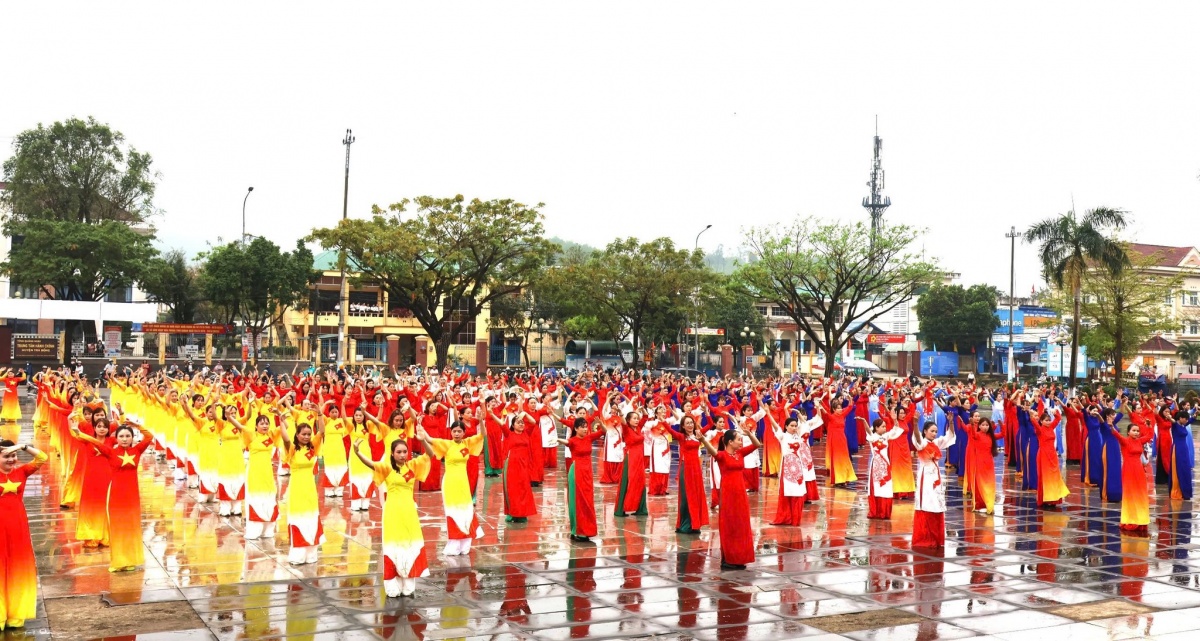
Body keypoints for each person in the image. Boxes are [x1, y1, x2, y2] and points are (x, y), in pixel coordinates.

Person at [71, 422, 155, 572]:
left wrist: (135, 424)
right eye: (121, 436)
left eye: (128, 436)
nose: (124, 439)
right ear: (116, 438)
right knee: (117, 528)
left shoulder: (137, 450)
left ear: (132, 438)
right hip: (116, 495)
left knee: (131, 528)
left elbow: (149, 436)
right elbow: (94, 441)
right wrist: (79, 432)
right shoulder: (110, 452)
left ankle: (131, 560)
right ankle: (118, 561)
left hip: (132, 497)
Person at [353, 437, 430, 597]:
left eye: (404, 452)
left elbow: (430, 454)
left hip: (409, 511)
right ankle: (392, 587)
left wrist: (423, 441)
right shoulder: (387, 468)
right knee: (393, 547)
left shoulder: (412, 466)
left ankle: (408, 585)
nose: (402, 455)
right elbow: (371, 463)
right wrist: (358, 452)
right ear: (392, 454)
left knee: (410, 546)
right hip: (392, 511)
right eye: (399, 452)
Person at [0, 440, 48, 631]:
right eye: (6, 456)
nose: (12, 460)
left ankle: (16, 613)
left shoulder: (21, 472)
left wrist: (22, 447)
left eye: (13, 456)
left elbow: (42, 457)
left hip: (18, 527)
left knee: (17, 568)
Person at [699, 424, 761, 570]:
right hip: (728, 494)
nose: (741, 442)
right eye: (739, 439)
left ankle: (740, 557)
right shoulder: (722, 455)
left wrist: (749, 434)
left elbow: (757, 444)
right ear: (730, 442)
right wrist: (702, 439)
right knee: (730, 525)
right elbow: (712, 451)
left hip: (741, 493)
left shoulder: (740, 454)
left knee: (741, 524)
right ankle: (728, 558)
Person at [418, 420, 485, 555]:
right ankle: (454, 545)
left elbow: (482, 434)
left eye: (459, 431)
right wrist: (420, 427)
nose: (457, 433)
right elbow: (430, 440)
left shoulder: (467, 443)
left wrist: (481, 419)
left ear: (464, 433)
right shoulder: (447, 445)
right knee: (453, 512)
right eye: (454, 431)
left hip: (463, 483)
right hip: (450, 483)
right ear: (451, 432)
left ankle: (465, 545)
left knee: (466, 511)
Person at [279, 411, 325, 565]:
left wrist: (319, 414)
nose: (306, 437)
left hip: (310, 490)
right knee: (298, 520)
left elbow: (322, 431)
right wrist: (281, 422)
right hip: (297, 490)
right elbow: (285, 439)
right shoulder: (292, 450)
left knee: (311, 519)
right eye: (303, 434)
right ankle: (297, 555)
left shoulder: (313, 448)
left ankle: (311, 554)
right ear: (297, 435)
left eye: (308, 434)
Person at [768, 410, 822, 526]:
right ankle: (784, 517)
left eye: (795, 426)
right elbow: (775, 426)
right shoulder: (783, 436)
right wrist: (768, 412)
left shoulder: (798, 437)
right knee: (786, 493)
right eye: (791, 426)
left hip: (798, 467)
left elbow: (805, 425)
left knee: (798, 493)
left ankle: (796, 519)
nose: (794, 428)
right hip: (787, 467)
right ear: (786, 426)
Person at [558, 417, 606, 541]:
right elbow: (567, 442)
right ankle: (577, 531)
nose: (585, 429)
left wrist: (601, 424)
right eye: (582, 427)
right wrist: (558, 439)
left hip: (587, 473)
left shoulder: (589, 438)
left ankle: (588, 530)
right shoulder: (573, 440)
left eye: (586, 426)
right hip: (576, 472)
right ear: (576, 428)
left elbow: (603, 432)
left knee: (588, 501)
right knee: (577, 501)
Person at [1108, 414, 1154, 535]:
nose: (1136, 433)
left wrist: (1149, 426)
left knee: (1140, 494)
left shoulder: (1139, 441)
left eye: (1137, 431)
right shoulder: (1125, 441)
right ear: (1128, 432)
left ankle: (1141, 519)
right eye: (1133, 431)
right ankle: (1130, 519)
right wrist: (1111, 426)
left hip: (1139, 470)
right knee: (1130, 495)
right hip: (1128, 470)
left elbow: (1149, 436)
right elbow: (1116, 434)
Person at [912, 421, 954, 550]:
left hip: (936, 476)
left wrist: (951, 423)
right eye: (932, 431)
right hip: (926, 476)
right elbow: (917, 440)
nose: (934, 434)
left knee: (936, 503)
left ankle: (936, 537)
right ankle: (925, 538)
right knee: (927, 504)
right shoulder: (923, 443)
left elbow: (949, 437)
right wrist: (915, 423)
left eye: (936, 431)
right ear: (925, 431)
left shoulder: (935, 443)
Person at [666, 415, 709, 534]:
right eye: (687, 423)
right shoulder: (681, 437)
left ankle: (695, 524)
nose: (690, 425)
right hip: (686, 468)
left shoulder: (697, 435)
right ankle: (685, 524)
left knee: (696, 495)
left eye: (691, 422)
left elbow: (710, 424)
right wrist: (661, 419)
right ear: (683, 426)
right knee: (686, 497)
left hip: (696, 469)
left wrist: (707, 412)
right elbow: (669, 430)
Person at [864, 418, 905, 520]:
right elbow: (869, 432)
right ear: (876, 428)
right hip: (876, 466)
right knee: (877, 487)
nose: (885, 428)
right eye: (882, 426)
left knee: (886, 488)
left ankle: (885, 512)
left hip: (886, 465)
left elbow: (894, 431)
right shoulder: (873, 437)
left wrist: (895, 423)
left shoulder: (885, 437)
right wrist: (864, 421)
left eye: (885, 426)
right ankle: (876, 511)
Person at [502, 406, 537, 523]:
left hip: (524, 465)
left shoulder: (527, 433)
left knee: (524, 489)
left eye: (522, 423)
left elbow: (533, 422)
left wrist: (525, 414)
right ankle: (512, 512)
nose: (521, 424)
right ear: (513, 425)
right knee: (513, 489)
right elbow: (502, 425)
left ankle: (522, 512)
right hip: (512, 465)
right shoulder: (509, 434)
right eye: (518, 423)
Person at [614, 410, 649, 518]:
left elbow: (645, 416)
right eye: (634, 418)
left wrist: (643, 404)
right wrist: (620, 413)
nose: (637, 420)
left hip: (639, 458)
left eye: (637, 418)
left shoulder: (638, 428)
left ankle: (641, 508)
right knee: (627, 482)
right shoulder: (626, 429)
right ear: (629, 420)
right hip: (630, 458)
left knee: (641, 482)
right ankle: (620, 510)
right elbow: (623, 422)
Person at [967, 417, 998, 514]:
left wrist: (1001, 425)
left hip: (989, 463)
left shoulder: (990, 436)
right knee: (981, 484)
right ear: (979, 426)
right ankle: (982, 504)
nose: (985, 427)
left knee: (990, 484)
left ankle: (989, 504)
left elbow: (1003, 434)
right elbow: (973, 434)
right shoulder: (977, 435)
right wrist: (972, 425)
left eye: (987, 425)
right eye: (983, 425)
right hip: (979, 463)